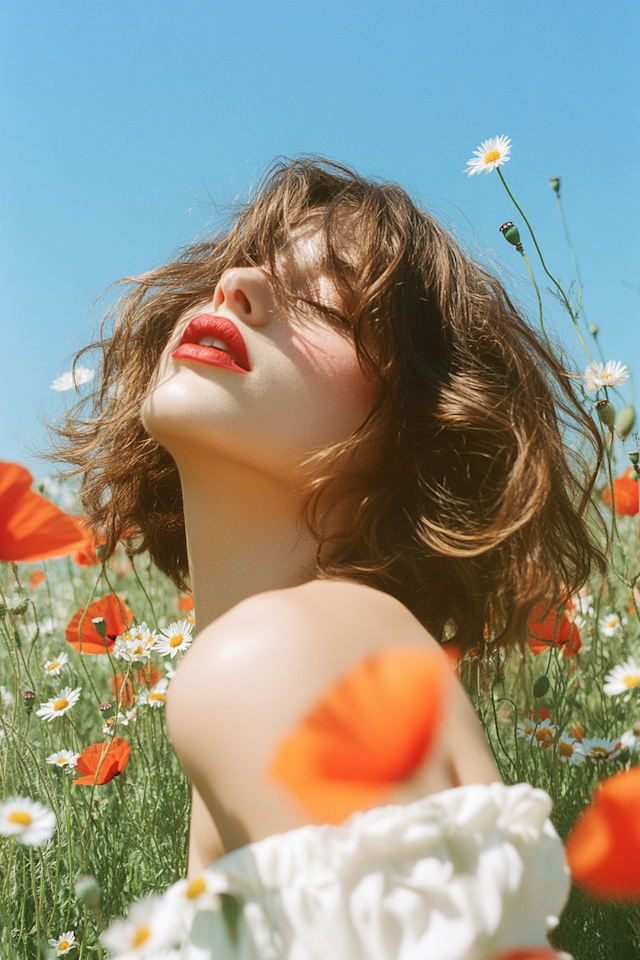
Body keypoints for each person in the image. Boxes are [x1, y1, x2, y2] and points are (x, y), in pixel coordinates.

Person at [54, 158, 604, 958]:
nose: (236, 283)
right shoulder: (322, 646)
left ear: (422, 432)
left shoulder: (282, 650)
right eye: (242, 269)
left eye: (324, 304)